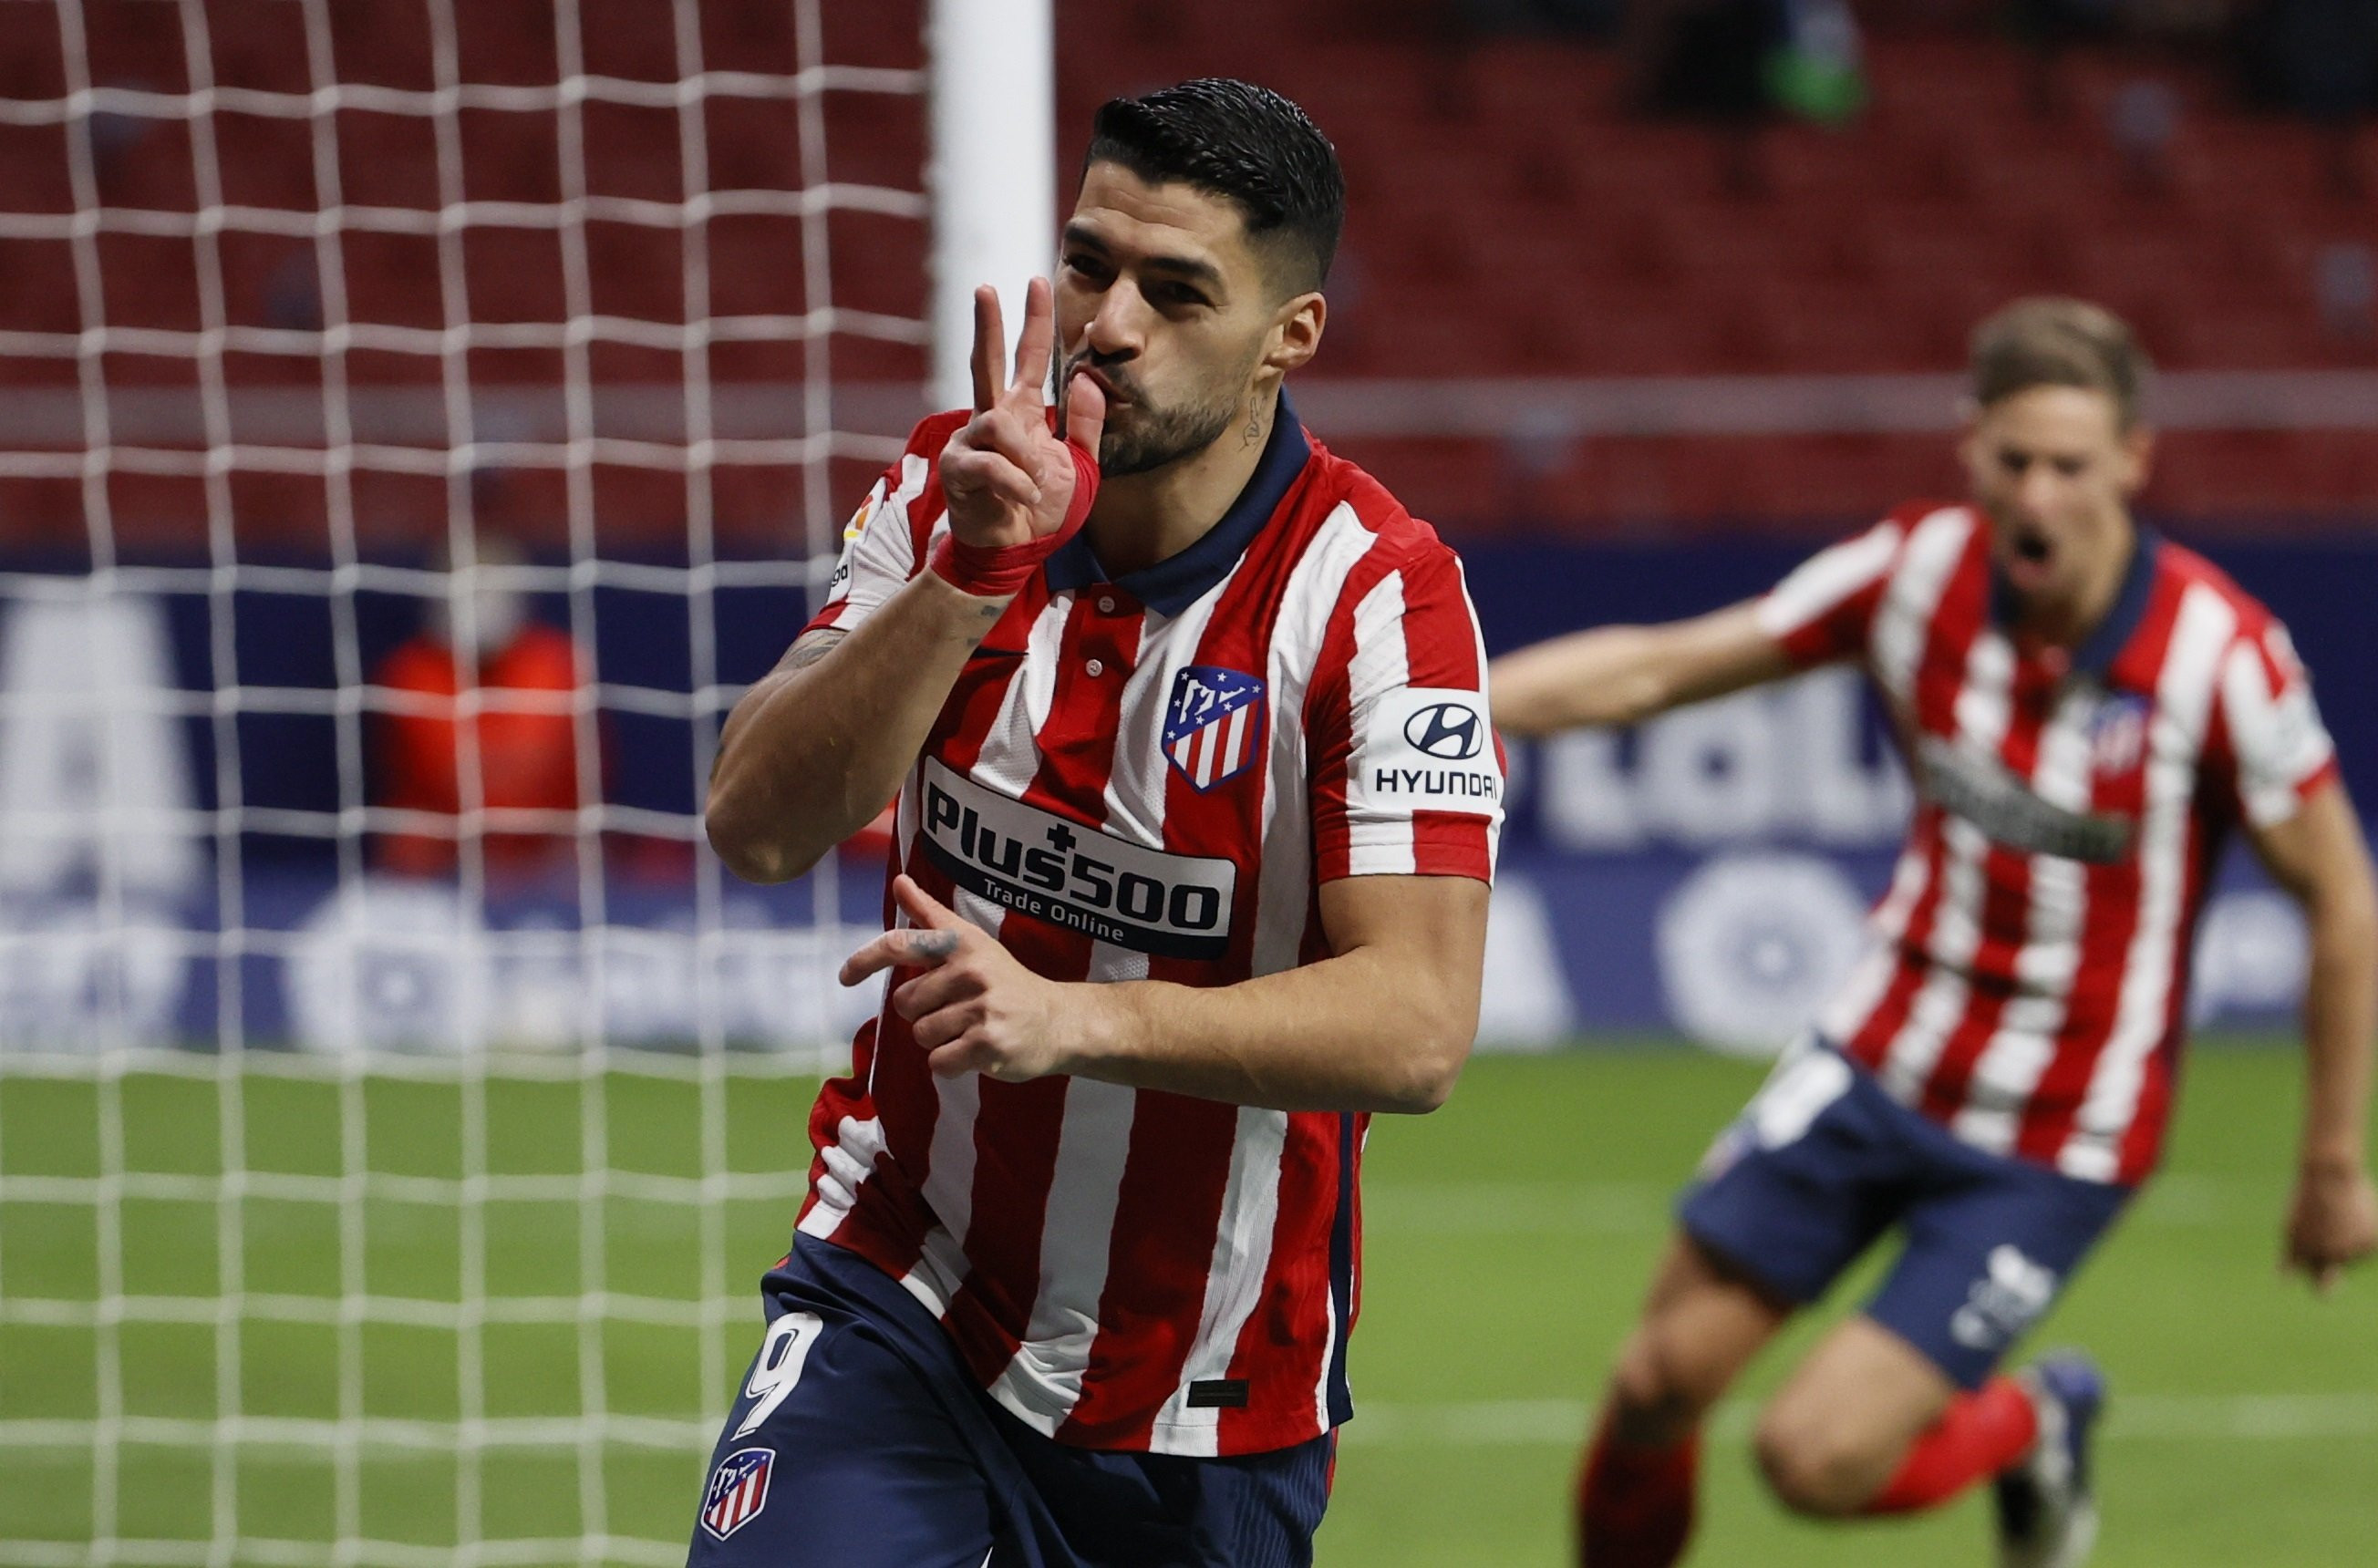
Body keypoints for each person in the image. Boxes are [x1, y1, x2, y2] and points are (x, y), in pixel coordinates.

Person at [699, 79, 1503, 1567]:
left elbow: (1418, 1026)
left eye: (1174, 290)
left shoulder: (1377, 598)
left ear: (1288, 337)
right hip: (905, 1290)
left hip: (1208, 1391)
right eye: (1088, 266)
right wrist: (965, 576)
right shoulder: (955, 483)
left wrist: (1076, 1021)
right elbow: (754, 823)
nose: (1108, 322)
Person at [1492, 297, 2377, 1568]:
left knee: (1814, 1460)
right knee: (1655, 1383)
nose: (2038, 493)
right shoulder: (1911, 574)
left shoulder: (2222, 659)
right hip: (1878, 1059)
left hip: (2056, 1131)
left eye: (2071, 465)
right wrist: (1449, 710)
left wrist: (2334, 1160)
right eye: (2013, 460)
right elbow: (1662, 667)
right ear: (1970, 450)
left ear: (2133, 463)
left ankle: (2027, 1425)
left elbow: (2340, 897)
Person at [372, 528, 585, 882]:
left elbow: (531, 787)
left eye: (488, 588)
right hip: (441, 858)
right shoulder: (411, 672)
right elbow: (454, 782)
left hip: (548, 854)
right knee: (409, 842)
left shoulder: (556, 664)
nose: (478, 603)